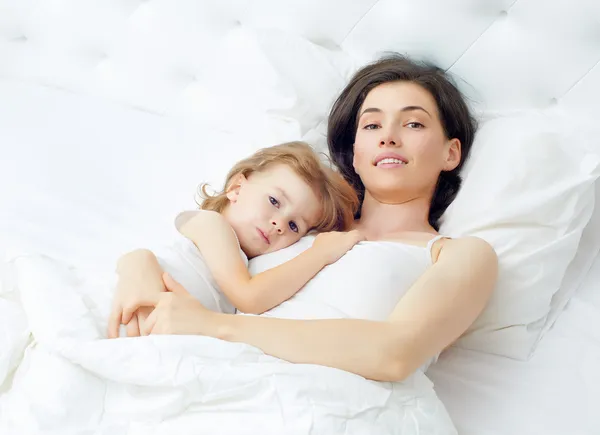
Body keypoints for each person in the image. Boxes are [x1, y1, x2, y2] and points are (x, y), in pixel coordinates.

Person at [111, 54, 498, 383]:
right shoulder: (296, 227)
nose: (389, 137)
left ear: (451, 153)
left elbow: (395, 354)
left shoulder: (459, 255)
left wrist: (216, 328)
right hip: (209, 370)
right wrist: (138, 266)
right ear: (356, 152)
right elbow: (204, 243)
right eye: (372, 125)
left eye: (413, 123)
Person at [108, 141, 361, 338]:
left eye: (294, 225)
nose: (279, 224)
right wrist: (319, 254)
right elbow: (249, 297)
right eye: (274, 201)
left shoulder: (247, 266)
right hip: (125, 312)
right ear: (236, 189)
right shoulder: (211, 225)